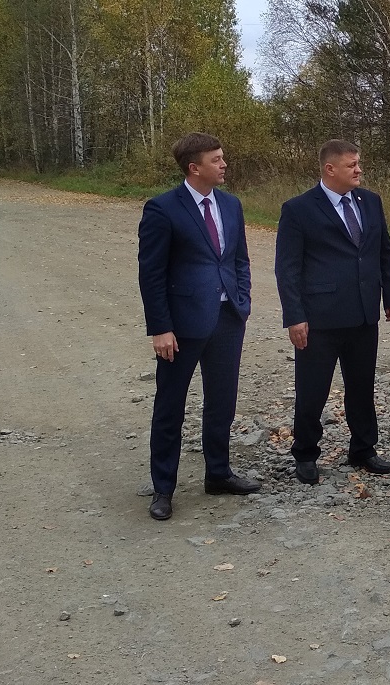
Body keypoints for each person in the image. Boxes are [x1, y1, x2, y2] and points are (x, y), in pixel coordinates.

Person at [138, 132, 260, 521]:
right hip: (182, 325)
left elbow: (238, 258)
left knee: (222, 401)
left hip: (227, 319)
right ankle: (163, 488)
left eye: (223, 158)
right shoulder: (162, 209)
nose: (224, 165)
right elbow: (151, 274)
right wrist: (161, 327)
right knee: (170, 406)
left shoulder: (231, 205)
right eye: (217, 159)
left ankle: (218, 473)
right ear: (195, 167)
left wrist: (242, 299)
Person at [274, 140, 390, 480]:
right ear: (330, 169)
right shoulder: (298, 209)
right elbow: (287, 269)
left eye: (359, 163)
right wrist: (294, 316)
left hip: (362, 313)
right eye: (352, 165)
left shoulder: (370, 202)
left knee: (362, 385)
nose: (359, 170)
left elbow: (383, 251)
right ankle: (305, 453)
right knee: (312, 389)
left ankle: (363, 448)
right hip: (320, 318)